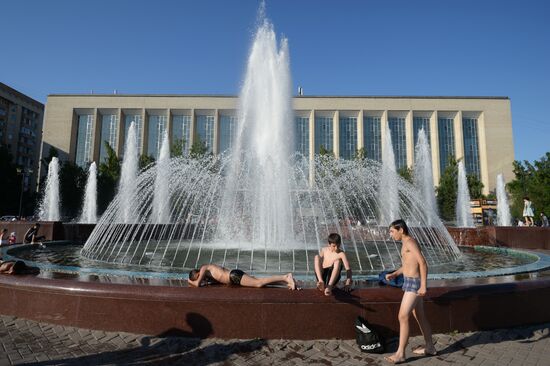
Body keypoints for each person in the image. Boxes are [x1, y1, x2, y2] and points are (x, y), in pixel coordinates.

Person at [384, 219, 436, 364]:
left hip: (415, 284)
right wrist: (395, 273)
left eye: (392, 231)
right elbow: (408, 264)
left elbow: (423, 262)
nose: (391, 234)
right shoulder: (405, 243)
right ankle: (430, 347)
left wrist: (423, 286)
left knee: (402, 316)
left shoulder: (410, 242)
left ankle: (400, 353)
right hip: (409, 282)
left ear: (401, 230)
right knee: (419, 315)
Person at [188, 263, 298, 290]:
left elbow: (197, 285)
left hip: (234, 276)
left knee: (258, 283)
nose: (200, 279)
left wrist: (189, 281)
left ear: (197, 274)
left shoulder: (203, 268)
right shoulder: (208, 274)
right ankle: (286, 282)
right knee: (258, 281)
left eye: (198, 277)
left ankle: (285, 277)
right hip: (234, 277)